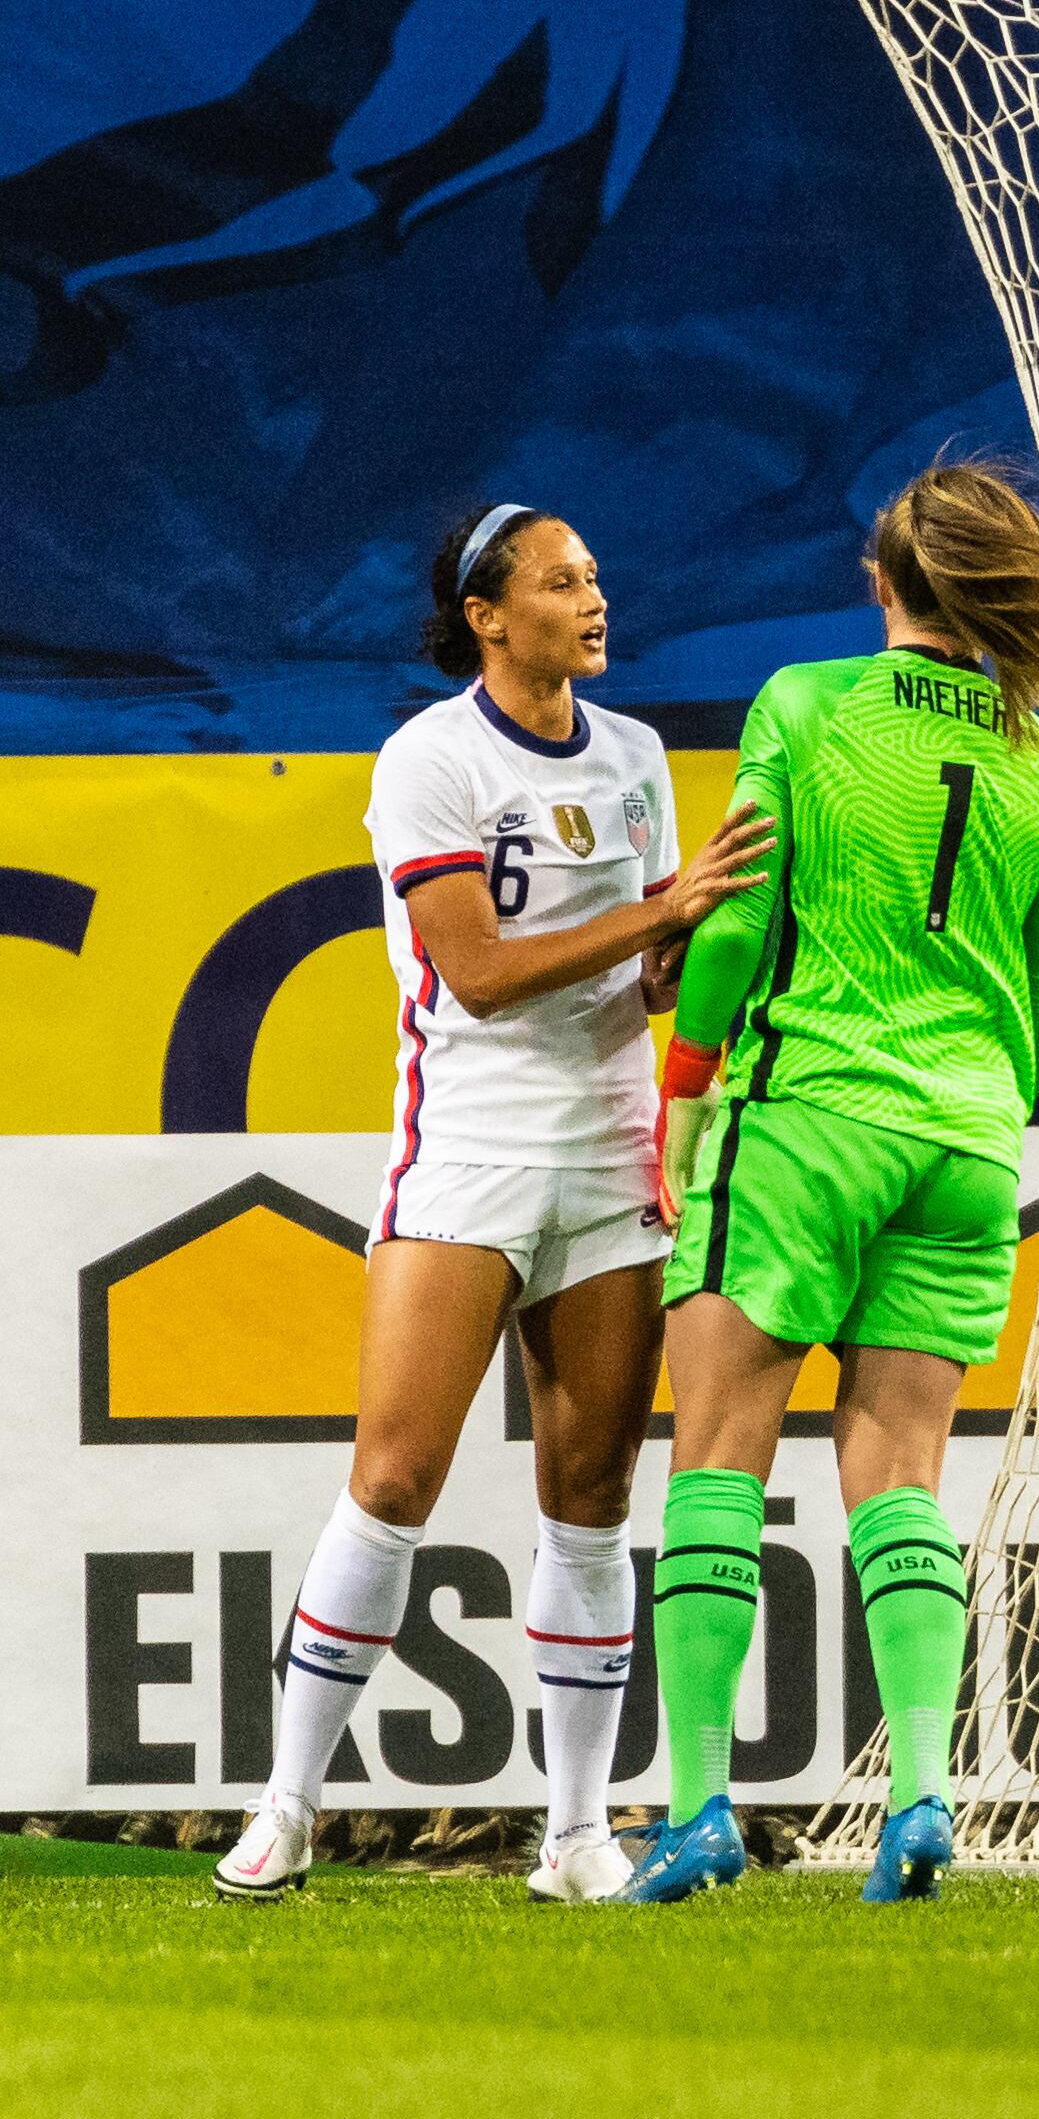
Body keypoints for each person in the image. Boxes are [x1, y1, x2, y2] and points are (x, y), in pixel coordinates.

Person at [211, 505, 772, 1904]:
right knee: (393, 1479)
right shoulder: (430, 758)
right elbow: (475, 969)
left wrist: (687, 961)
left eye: (594, 573)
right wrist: (665, 912)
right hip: (464, 1158)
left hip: (610, 1161)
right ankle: (286, 1805)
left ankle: (575, 1832)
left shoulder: (635, 755)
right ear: (486, 612)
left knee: (589, 1500)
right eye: (561, 580)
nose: (593, 596)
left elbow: (635, 969)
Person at [621, 463, 1039, 1904]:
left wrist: (687, 1086)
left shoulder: (807, 703)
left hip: (801, 1116)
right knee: (900, 1472)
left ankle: (702, 1803)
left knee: (719, 1456)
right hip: (966, 1142)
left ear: (883, 585)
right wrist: (964, 1089)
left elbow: (732, 919)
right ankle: (918, 1793)